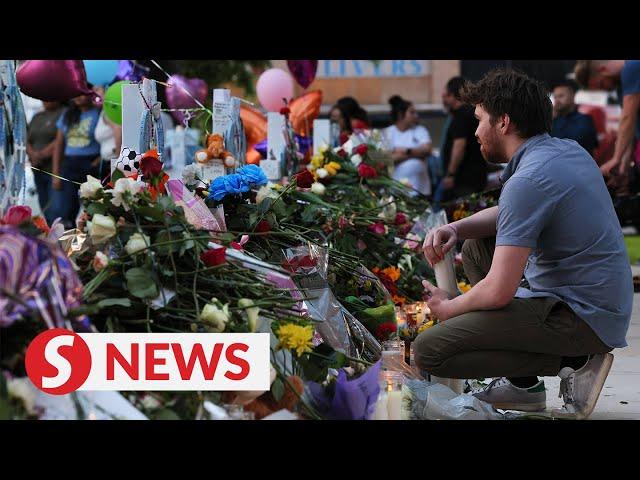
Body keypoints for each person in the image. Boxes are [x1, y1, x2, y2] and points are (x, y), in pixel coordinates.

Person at [414, 69, 632, 419]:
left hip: (580, 317)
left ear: (503, 122)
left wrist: (449, 308)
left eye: (479, 120)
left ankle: (575, 362)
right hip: (599, 305)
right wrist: (457, 227)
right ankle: (523, 387)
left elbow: (498, 291)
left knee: (430, 350)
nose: (475, 132)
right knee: (475, 246)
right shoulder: (564, 152)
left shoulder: (529, 178)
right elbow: (513, 212)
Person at [574, 60, 640, 196]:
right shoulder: (622, 86)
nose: (605, 89)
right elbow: (630, 130)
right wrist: (623, 166)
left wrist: (616, 158)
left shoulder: (632, 67)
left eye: (601, 84)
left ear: (603, 70)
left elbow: (627, 119)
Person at [50, 90, 102, 229]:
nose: (78, 97)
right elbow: (59, 145)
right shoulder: (67, 115)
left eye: (83, 93)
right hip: (69, 164)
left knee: (93, 209)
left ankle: (92, 246)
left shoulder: (98, 113)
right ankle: (69, 246)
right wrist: (55, 174)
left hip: (91, 165)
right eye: (76, 93)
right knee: (66, 211)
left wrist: (100, 159)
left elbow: (106, 138)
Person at [438, 76, 488, 201]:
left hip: (463, 181)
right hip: (475, 177)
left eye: (447, 95)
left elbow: (459, 146)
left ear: (453, 95)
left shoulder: (461, 115)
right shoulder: (472, 113)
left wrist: (450, 174)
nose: (445, 99)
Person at [384, 95, 433, 196]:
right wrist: (416, 153)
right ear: (400, 114)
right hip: (397, 190)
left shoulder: (420, 130)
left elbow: (427, 150)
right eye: (411, 112)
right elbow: (386, 159)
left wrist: (405, 150)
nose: (416, 115)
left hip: (421, 189)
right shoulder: (388, 133)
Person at [26, 100, 65, 223]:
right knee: (45, 207)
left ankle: (61, 239)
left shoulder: (63, 113)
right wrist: (32, 154)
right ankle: (51, 239)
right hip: (38, 168)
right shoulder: (37, 116)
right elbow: (26, 138)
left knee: (57, 210)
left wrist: (42, 154)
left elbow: (61, 140)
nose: (46, 100)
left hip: (56, 169)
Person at [551, 79, 598, 156]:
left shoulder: (584, 120)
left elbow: (572, 143)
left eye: (561, 96)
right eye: (555, 97)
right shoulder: (553, 121)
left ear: (572, 96)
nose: (557, 100)